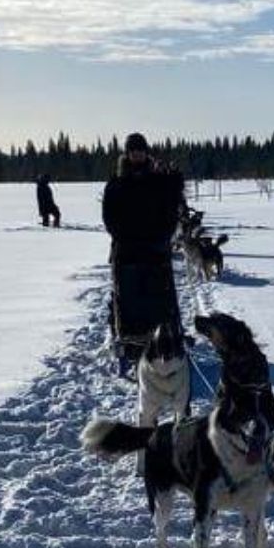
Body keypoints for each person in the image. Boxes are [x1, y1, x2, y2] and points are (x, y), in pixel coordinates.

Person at [102, 133, 185, 372]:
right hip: (127, 249)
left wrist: (175, 185)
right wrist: (124, 237)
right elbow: (110, 218)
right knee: (129, 295)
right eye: (132, 150)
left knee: (159, 296)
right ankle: (128, 338)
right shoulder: (117, 183)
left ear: (146, 152)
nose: (137, 154)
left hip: (155, 249)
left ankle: (165, 335)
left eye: (140, 150)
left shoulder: (159, 181)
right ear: (127, 153)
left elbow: (171, 210)